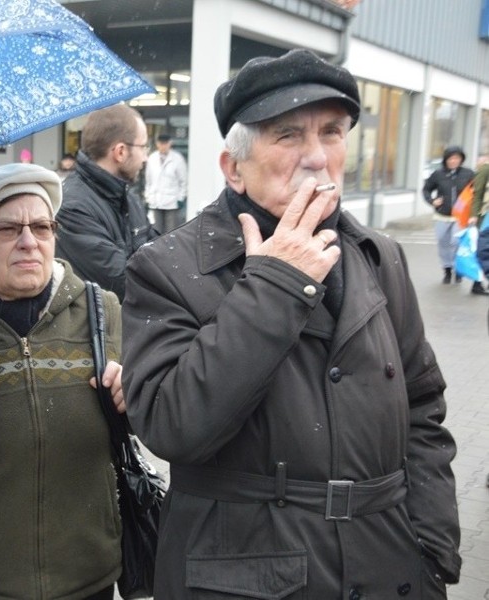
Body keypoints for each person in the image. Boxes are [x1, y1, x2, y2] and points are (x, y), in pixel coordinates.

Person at [122, 49, 460, 599]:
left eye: (332, 132)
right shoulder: (168, 266)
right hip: (252, 576)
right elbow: (170, 425)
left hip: (388, 564)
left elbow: (423, 407)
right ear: (234, 168)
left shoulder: (381, 257)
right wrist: (276, 283)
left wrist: (433, 542)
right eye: (287, 136)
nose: (318, 157)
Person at [0, 163, 126, 599]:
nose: (28, 242)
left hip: (89, 576)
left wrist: (135, 399)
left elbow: (143, 427)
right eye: (7, 228)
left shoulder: (101, 310)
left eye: (41, 226)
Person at [55, 104, 159, 302]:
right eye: (144, 147)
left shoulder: (127, 197)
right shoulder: (73, 208)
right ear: (120, 152)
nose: (146, 157)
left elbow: (158, 249)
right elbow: (125, 280)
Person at [423, 146, 476, 288]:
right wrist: (432, 201)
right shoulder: (438, 174)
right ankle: (447, 270)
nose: (453, 161)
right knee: (443, 242)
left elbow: (476, 193)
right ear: (446, 160)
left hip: (461, 216)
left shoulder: (469, 174)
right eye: (451, 158)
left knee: (455, 242)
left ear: (461, 160)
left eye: (457, 158)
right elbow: (426, 189)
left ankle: (457, 268)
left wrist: (473, 213)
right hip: (442, 214)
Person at [144, 132, 188, 233]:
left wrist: (181, 198)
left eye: (165, 143)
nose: (163, 146)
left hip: (172, 202)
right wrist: (148, 197)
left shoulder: (177, 159)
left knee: (170, 232)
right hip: (155, 202)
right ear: (157, 144)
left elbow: (183, 182)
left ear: (170, 143)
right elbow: (148, 181)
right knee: (156, 232)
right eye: (161, 143)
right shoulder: (152, 159)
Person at [471, 155, 489, 281]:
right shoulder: (485, 170)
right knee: (482, 249)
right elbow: (477, 194)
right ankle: (477, 282)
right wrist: (474, 215)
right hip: (486, 215)